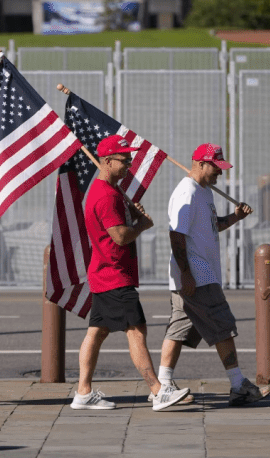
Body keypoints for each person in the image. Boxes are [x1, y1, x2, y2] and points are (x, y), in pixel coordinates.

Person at [72, 135, 190, 411]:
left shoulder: (108, 192)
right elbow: (121, 236)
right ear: (107, 161)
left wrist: (135, 219)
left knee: (96, 332)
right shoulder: (105, 196)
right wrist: (142, 225)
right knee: (136, 330)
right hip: (113, 275)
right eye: (124, 161)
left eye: (130, 160)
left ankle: (83, 392)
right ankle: (158, 391)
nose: (129, 166)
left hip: (105, 273)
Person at [156, 143, 270, 406]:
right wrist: (186, 273)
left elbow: (211, 226)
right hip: (198, 274)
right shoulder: (187, 192)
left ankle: (163, 384)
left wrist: (235, 217)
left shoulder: (204, 192)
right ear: (200, 164)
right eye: (216, 168)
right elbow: (176, 235)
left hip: (197, 273)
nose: (220, 173)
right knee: (223, 326)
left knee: (179, 328)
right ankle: (238, 384)